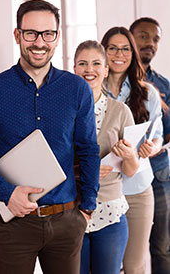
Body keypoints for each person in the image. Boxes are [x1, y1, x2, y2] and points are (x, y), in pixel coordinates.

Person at [0, 0, 100, 274]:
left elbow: (88, 149)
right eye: (31, 33)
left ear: (57, 37)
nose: (39, 42)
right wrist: (6, 192)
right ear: (17, 35)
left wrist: (88, 208)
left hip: (67, 220)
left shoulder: (77, 89)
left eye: (48, 34)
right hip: (13, 225)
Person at [101, 27, 163, 274]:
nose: (119, 54)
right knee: (106, 267)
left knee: (135, 265)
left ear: (132, 53)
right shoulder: (91, 91)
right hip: (103, 190)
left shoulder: (147, 93)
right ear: (103, 51)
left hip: (137, 190)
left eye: (125, 48)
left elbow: (157, 137)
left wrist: (151, 148)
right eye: (112, 48)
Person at [73, 40, 139, 274]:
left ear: (105, 69)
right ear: (74, 69)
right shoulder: (63, 111)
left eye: (96, 64)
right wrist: (81, 171)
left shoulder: (121, 111)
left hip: (110, 213)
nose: (89, 69)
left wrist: (130, 155)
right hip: (72, 211)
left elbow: (131, 171)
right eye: (82, 63)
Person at [130, 17, 170, 274]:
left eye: (155, 39)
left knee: (163, 246)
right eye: (143, 36)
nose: (150, 43)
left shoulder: (163, 85)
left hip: (159, 173)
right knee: (127, 250)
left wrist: (154, 144)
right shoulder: (114, 80)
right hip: (125, 175)